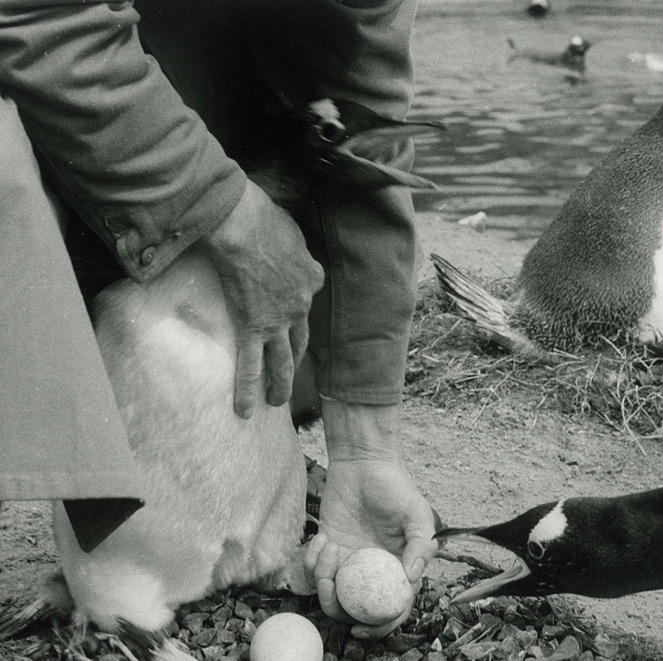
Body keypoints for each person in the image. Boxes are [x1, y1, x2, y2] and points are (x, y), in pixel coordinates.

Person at [0, 0, 437, 640]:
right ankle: (115, 583)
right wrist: (224, 210)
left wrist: (365, 447)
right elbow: (40, 20)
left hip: (175, 80)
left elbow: (358, 81)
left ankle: (239, 526)